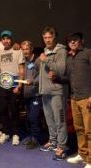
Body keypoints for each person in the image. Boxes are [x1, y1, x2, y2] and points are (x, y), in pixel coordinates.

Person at [38, 26, 68, 161]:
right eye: (45, 37)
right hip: (46, 91)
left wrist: (46, 60)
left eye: (50, 37)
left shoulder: (61, 51)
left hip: (57, 92)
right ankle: (53, 141)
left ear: (54, 37)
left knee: (60, 121)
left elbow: (61, 70)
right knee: (49, 120)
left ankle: (62, 146)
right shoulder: (45, 50)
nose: (47, 40)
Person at [0, 30, 24, 145]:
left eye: (8, 38)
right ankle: (6, 132)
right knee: (2, 110)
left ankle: (15, 134)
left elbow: (21, 69)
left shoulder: (17, 50)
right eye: (3, 39)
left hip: (14, 85)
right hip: (1, 85)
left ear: (11, 39)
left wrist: (19, 85)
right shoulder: (0, 53)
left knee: (14, 110)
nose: (6, 40)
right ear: (2, 40)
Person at [62, 33, 91, 168]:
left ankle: (90, 160)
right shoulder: (69, 57)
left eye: (75, 40)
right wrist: (55, 77)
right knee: (79, 129)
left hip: (87, 98)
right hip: (74, 98)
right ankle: (83, 154)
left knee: (89, 130)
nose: (72, 42)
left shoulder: (88, 53)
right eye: (70, 40)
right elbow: (68, 78)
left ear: (81, 41)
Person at [21, 41, 41, 149]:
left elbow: (42, 76)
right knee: (29, 118)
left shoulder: (37, 60)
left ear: (31, 49)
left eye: (27, 49)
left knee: (34, 117)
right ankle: (32, 137)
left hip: (36, 94)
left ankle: (36, 139)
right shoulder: (25, 61)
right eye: (23, 49)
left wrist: (33, 81)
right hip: (27, 94)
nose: (25, 51)